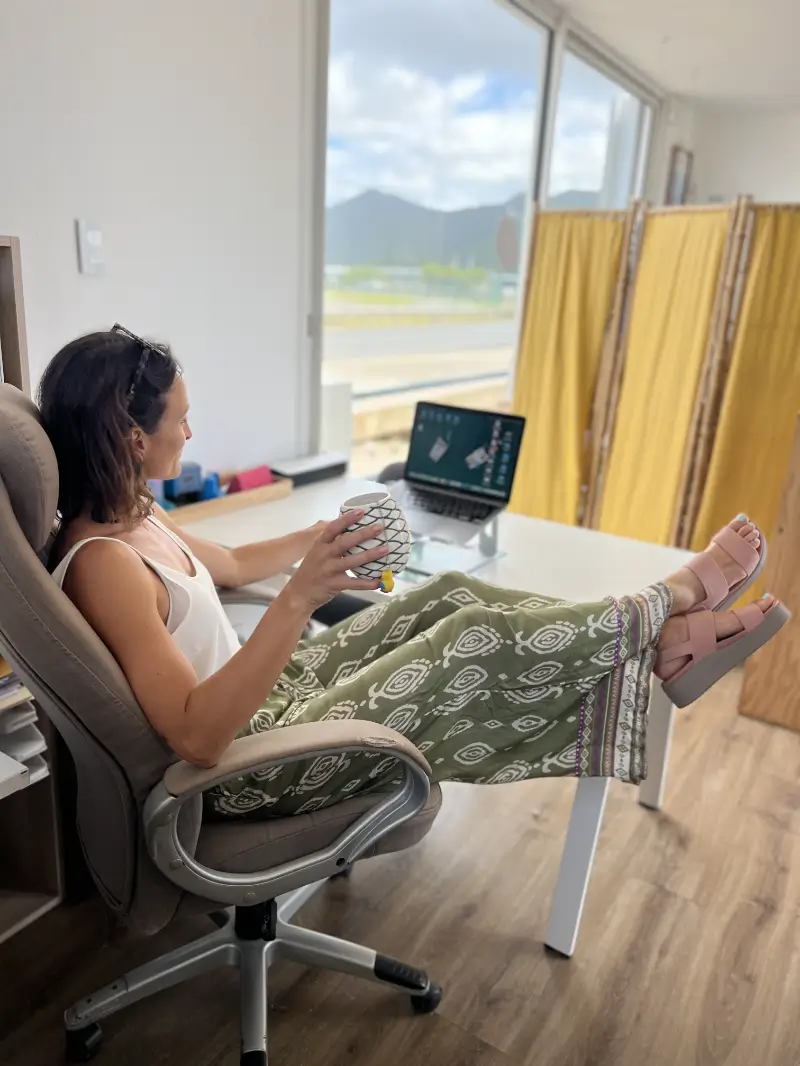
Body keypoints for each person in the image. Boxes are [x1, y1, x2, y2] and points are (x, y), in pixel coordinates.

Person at [39, 325, 788, 819]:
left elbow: (231, 565)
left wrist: (323, 537)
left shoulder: (137, 514)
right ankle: (668, 610)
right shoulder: (104, 566)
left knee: (454, 594)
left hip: (271, 703)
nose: (191, 431)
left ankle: (660, 635)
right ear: (135, 437)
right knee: (468, 637)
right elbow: (199, 737)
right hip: (244, 769)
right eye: (179, 418)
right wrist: (303, 595)